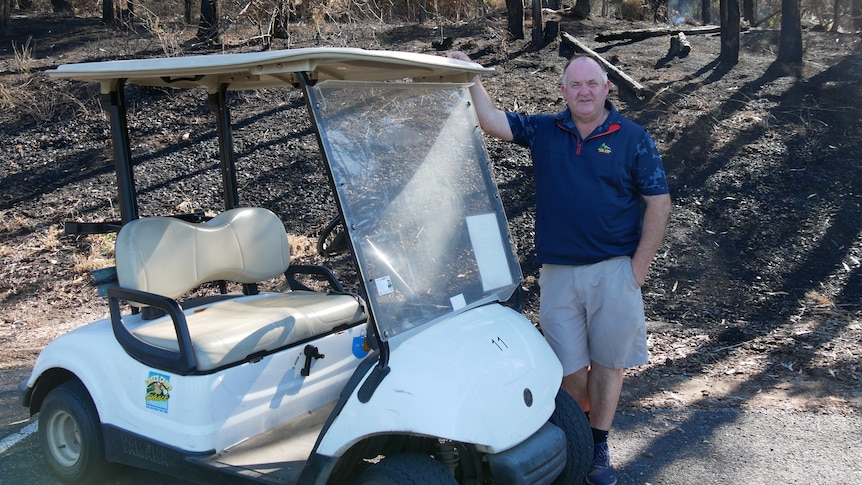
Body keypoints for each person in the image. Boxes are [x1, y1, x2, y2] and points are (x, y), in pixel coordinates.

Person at [448, 51, 671, 485]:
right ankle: (581, 433)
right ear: (564, 91)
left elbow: (658, 203)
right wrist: (469, 74)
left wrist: (638, 269)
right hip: (559, 274)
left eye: (592, 84)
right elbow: (491, 121)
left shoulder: (633, 138)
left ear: (608, 88)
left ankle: (597, 445)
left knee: (608, 363)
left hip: (614, 271)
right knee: (567, 370)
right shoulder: (546, 130)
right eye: (575, 85)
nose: (584, 91)